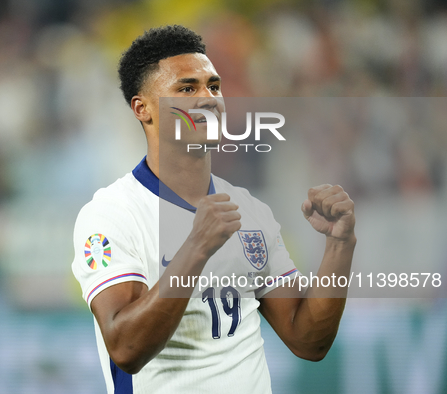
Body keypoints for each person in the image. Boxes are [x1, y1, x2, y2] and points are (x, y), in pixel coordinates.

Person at [71, 25, 356, 394]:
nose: (209, 99)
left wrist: (340, 245)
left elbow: (308, 341)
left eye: (214, 86)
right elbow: (125, 348)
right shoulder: (111, 214)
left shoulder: (249, 210)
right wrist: (197, 248)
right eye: (187, 88)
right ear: (143, 109)